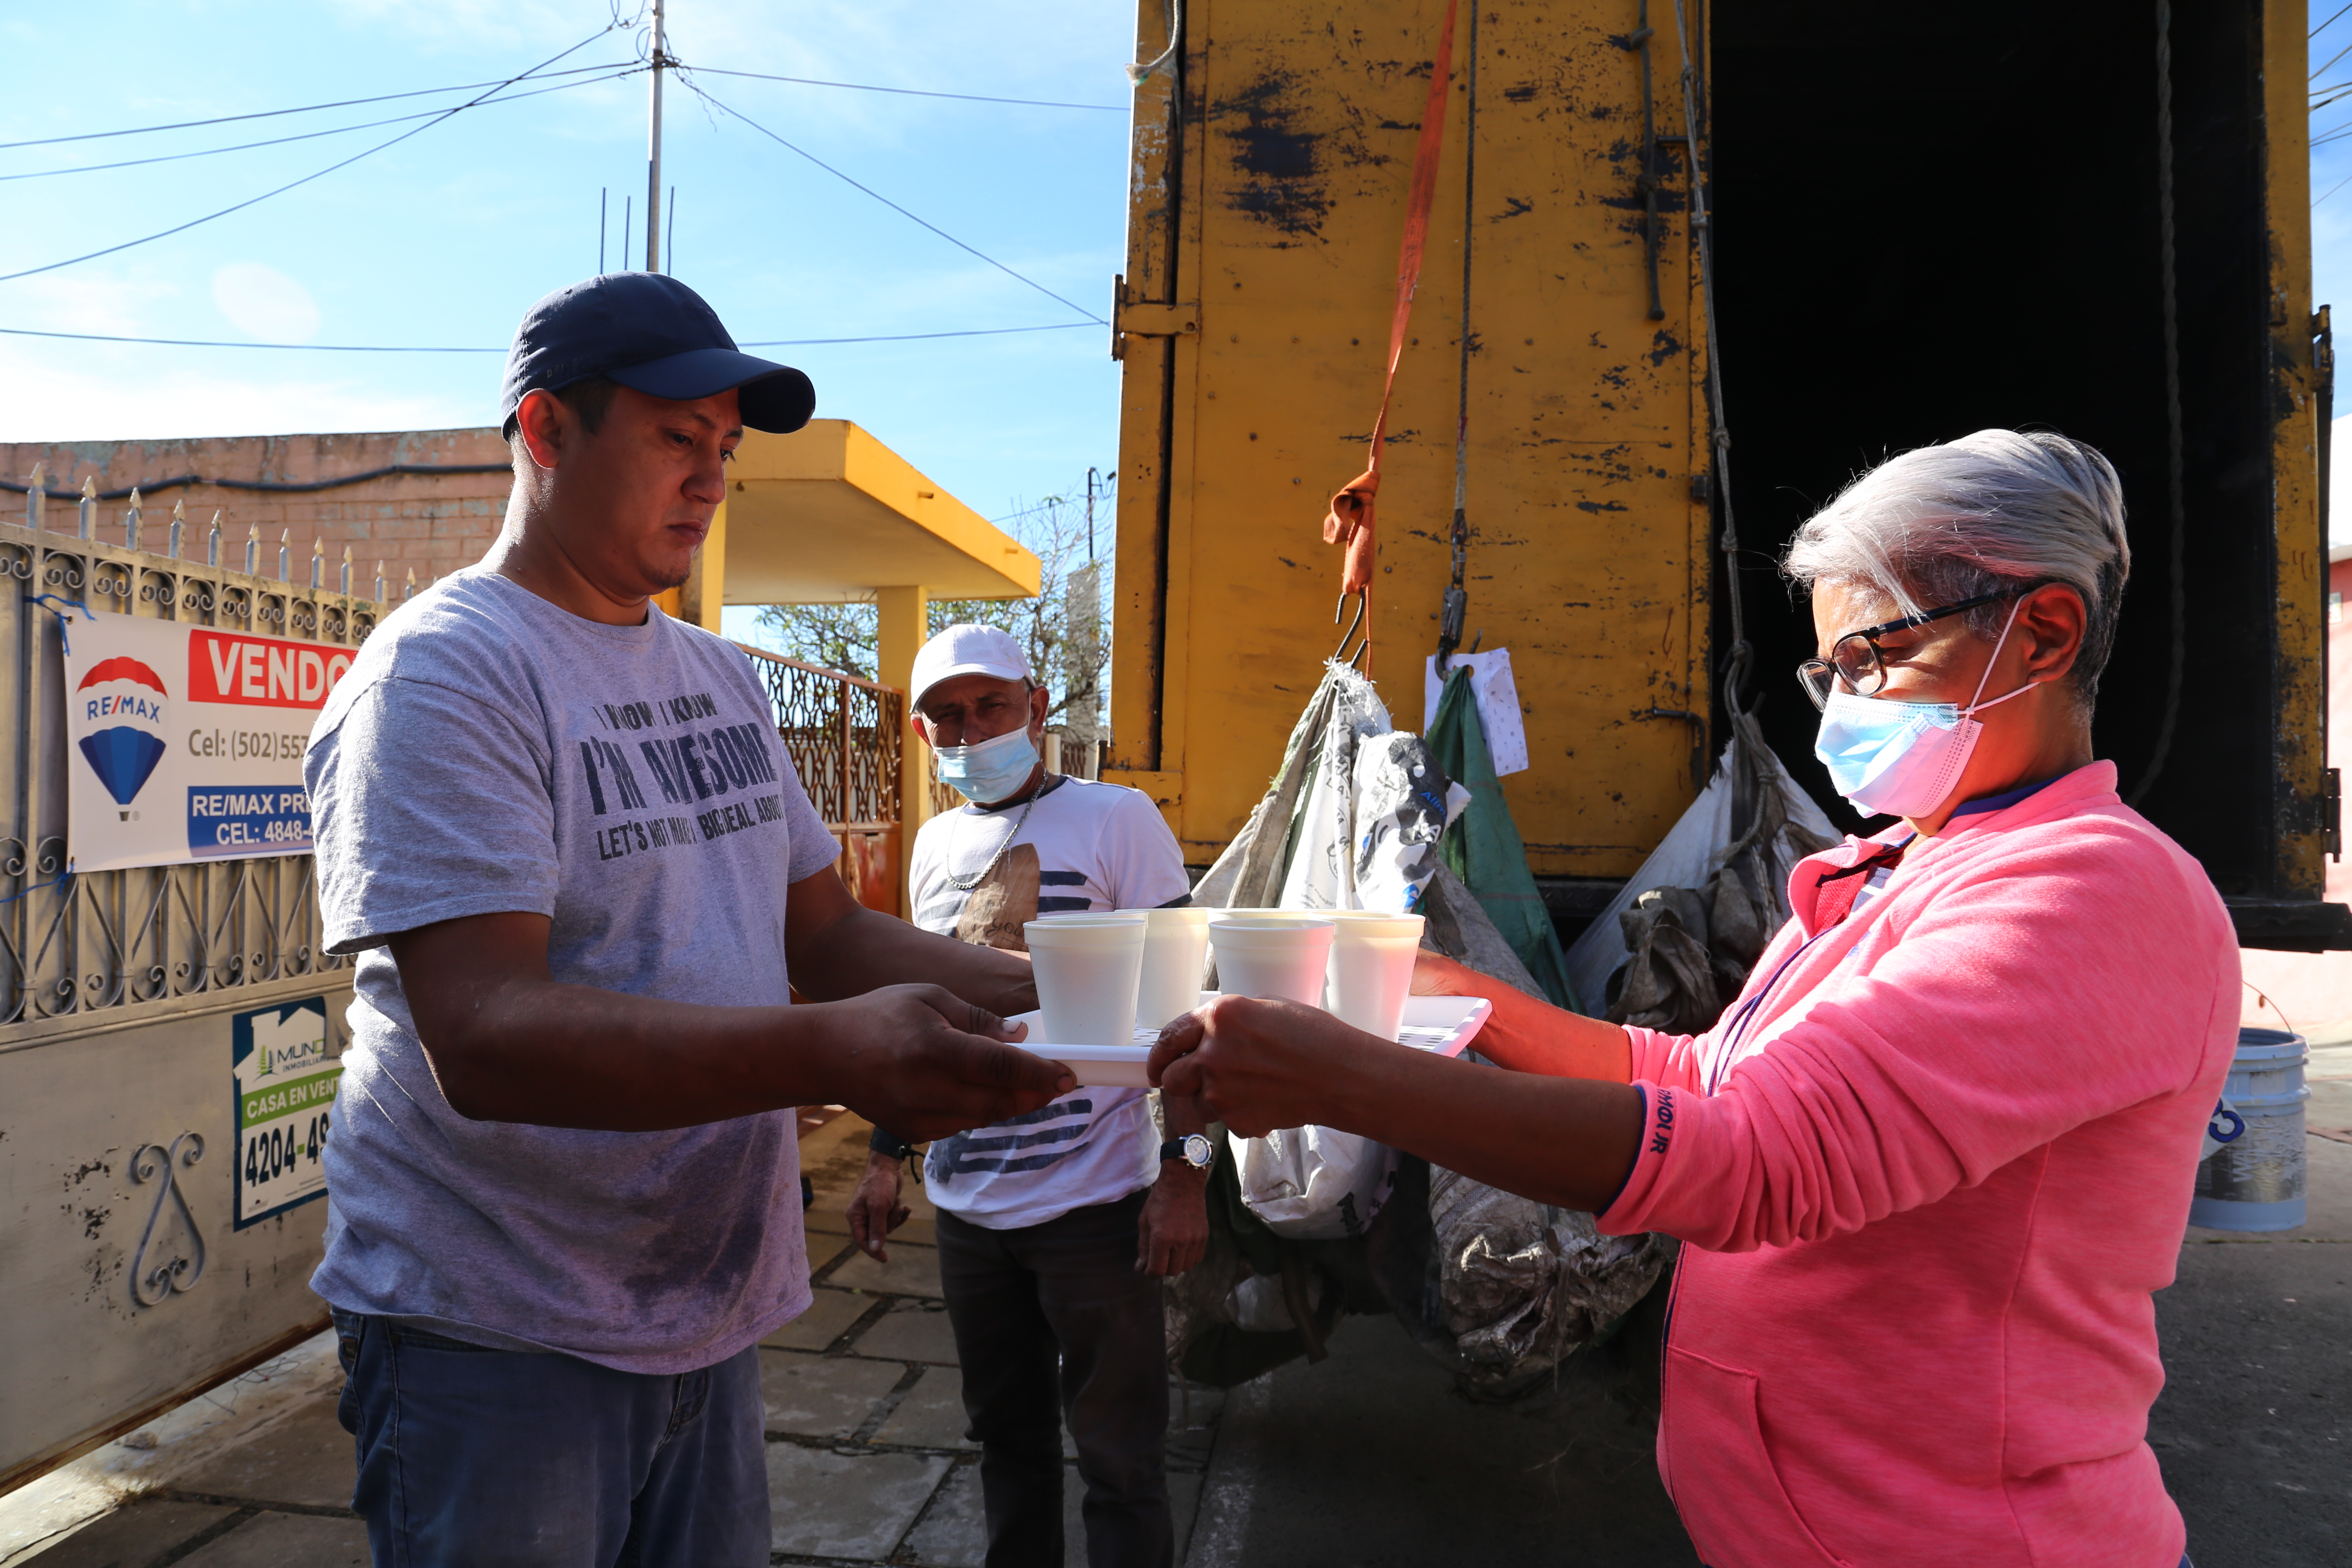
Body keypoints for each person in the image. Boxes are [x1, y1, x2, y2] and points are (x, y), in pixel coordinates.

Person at [1149, 430, 2235, 1568]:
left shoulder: (2091, 889)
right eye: (1830, 671)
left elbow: (1763, 1159)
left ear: (2045, 632)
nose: (1841, 705)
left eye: (1872, 657)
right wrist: (1470, 998)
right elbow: (1706, 1081)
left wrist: (1349, 1082)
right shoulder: (1895, 871)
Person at [306, 273, 1069, 1567]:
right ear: (547, 432)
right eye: (675, 437)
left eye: (725, 448)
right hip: (499, 1323)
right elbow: (485, 1036)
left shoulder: (716, 676)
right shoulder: (447, 670)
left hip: (703, 1307)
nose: (713, 478)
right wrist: (831, 1052)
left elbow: (822, 939)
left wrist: (1071, 986)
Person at [849, 623, 1210, 1568]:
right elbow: (916, 1018)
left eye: (991, 708)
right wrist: (886, 1158)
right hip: (969, 1208)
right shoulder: (932, 844)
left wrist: (1187, 1172)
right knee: (1006, 1446)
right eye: (948, 718)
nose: (971, 733)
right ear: (925, 736)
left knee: (1120, 1461)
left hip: (1093, 1208)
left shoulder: (1116, 819)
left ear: (1038, 708)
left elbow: (1183, 1017)